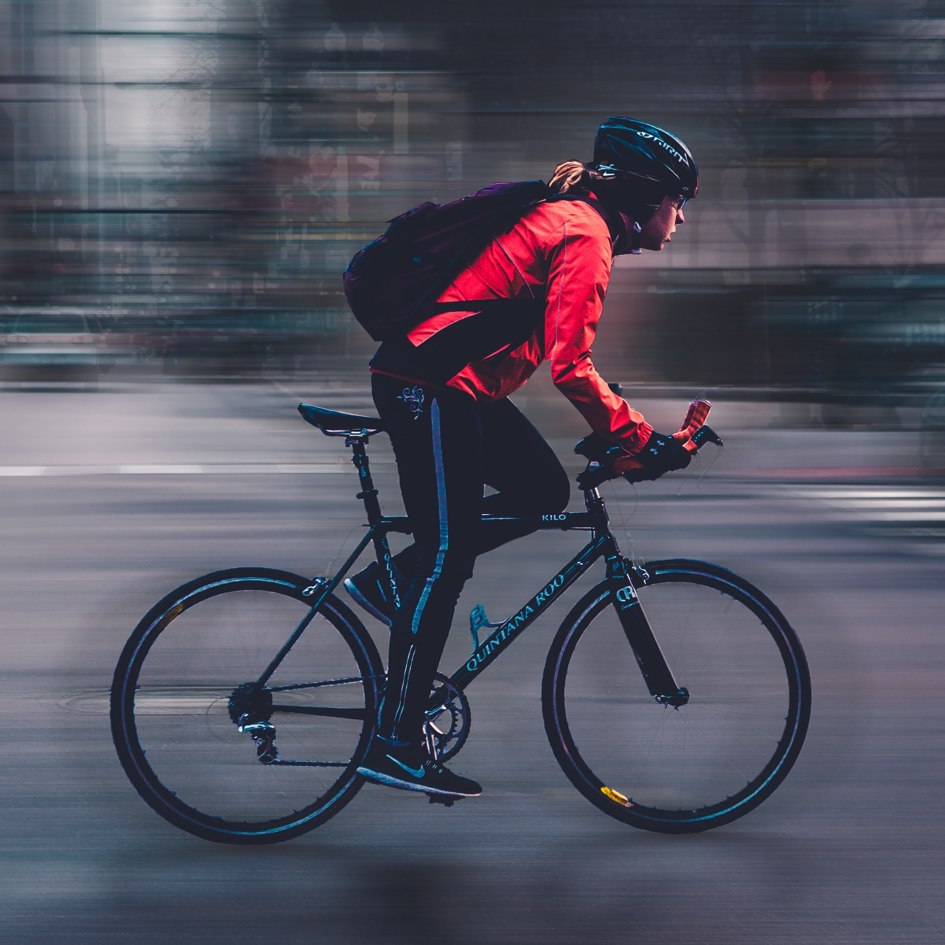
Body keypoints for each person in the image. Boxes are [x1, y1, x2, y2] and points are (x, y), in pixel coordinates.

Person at [349, 117, 699, 799]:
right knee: (447, 557)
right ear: (648, 195)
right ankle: (394, 739)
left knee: (541, 489)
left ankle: (394, 581)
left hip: (453, 384)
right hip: (427, 382)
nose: (681, 216)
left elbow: (558, 353)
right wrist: (634, 436)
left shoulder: (579, 225)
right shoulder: (585, 234)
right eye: (679, 200)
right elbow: (570, 365)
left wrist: (622, 430)